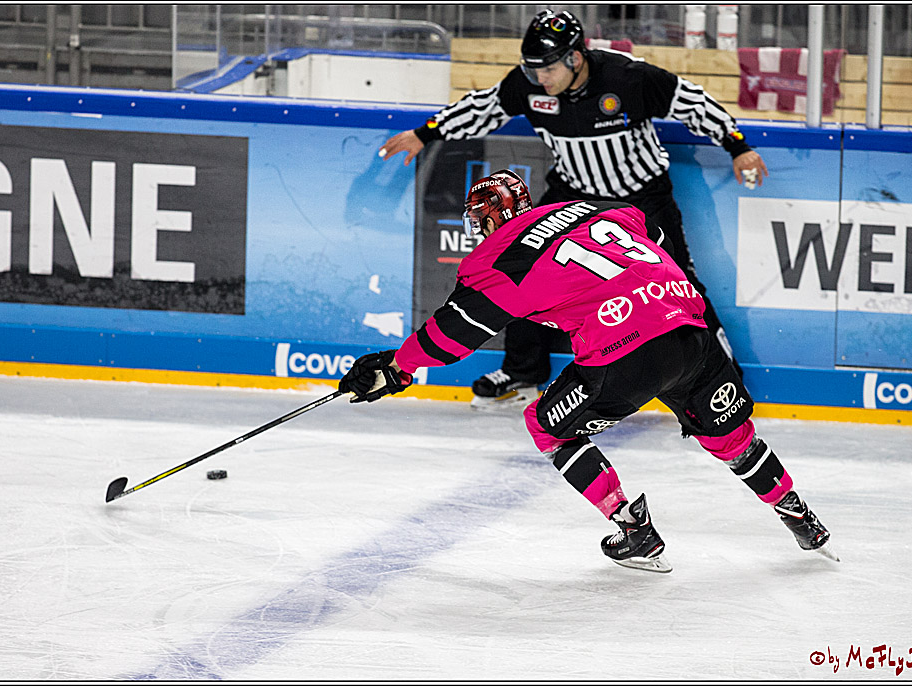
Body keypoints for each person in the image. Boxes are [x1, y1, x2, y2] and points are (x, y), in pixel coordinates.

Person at [338, 170, 836, 573]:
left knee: (547, 427)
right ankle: (801, 519)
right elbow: (651, 235)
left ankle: (633, 529)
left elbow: (454, 333)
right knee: (732, 437)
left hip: (625, 352)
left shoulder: (500, 260)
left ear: (489, 221)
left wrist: (396, 368)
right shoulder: (596, 209)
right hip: (691, 330)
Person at [379, 9, 768, 410]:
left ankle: (723, 381)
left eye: (546, 70)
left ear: (575, 58)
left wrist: (738, 146)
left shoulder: (627, 77)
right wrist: (425, 134)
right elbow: (484, 106)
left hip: (640, 198)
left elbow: (693, 102)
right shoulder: (530, 87)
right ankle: (523, 374)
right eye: (532, 71)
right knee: (522, 269)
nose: (539, 80)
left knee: (678, 282)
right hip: (574, 196)